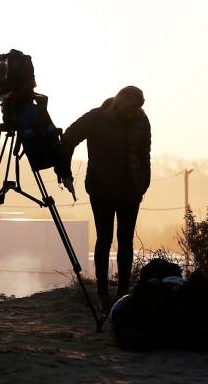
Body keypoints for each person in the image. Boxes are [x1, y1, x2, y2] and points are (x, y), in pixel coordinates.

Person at [60, 86, 151, 313]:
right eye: (130, 110)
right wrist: (64, 171)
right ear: (120, 104)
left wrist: (144, 183)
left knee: (126, 240)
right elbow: (69, 138)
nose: (132, 114)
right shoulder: (96, 118)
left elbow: (145, 153)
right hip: (102, 189)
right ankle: (102, 293)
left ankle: (122, 294)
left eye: (136, 110)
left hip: (131, 188)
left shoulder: (141, 120)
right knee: (104, 239)